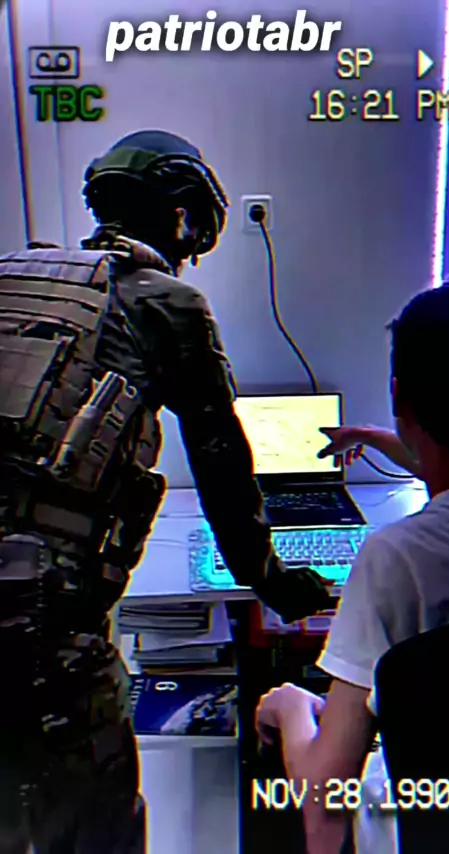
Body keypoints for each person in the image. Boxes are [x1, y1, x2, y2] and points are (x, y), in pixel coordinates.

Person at [0, 129, 331, 851]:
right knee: (96, 822)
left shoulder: (14, 273)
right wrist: (272, 582)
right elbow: (221, 461)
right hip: (43, 618)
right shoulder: (168, 300)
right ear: (182, 218)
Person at [256, 272, 449, 854]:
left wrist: (291, 707)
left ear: (400, 397)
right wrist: (375, 437)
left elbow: (324, 816)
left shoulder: (395, 561)